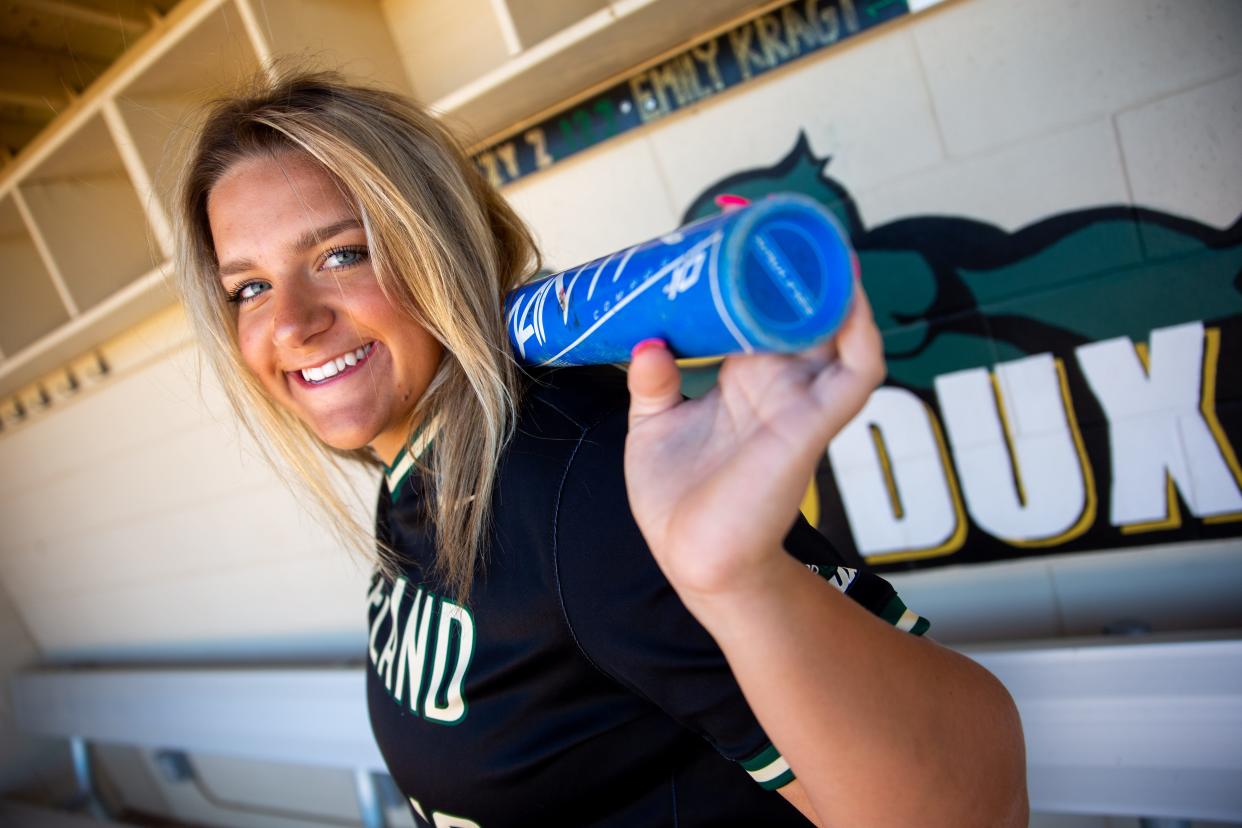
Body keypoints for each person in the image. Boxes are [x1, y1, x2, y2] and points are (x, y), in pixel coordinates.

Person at [173, 68, 1027, 827]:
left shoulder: (578, 473)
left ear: (442, 247)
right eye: (248, 287)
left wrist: (737, 580)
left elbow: (967, 807)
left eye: (341, 253)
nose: (289, 322)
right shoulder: (423, 475)